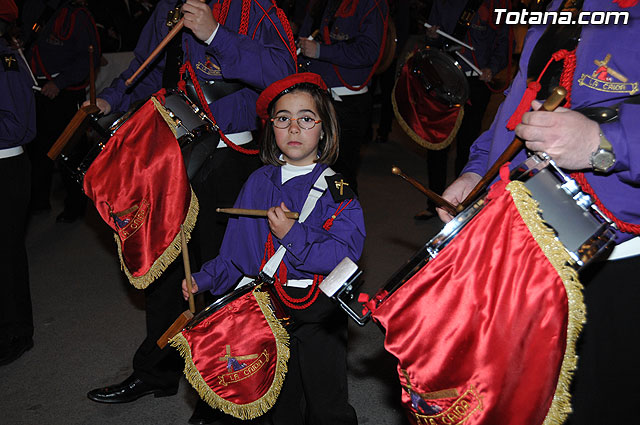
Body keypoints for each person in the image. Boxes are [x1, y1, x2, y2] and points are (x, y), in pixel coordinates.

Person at [84, 1, 296, 424]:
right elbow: (145, 64)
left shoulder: (257, 7)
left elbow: (285, 72)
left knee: (224, 272)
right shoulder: (169, 4)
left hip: (230, 156)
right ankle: (156, 371)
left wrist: (217, 35)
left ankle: (222, 387)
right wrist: (110, 99)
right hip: (169, 152)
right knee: (164, 271)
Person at [437, 1, 640, 423]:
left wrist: (605, 144)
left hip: (615, 262)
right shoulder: (560, 6)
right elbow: (517, 110)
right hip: (525, 240)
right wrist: (478, 173)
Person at [182, 72, 366, 425]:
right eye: (283, 119)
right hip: (265, 311)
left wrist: (293, 235)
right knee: (279, 403)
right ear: (272, 129)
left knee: (327, 402)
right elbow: (234, 254)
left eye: (306, 119)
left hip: (319, 311)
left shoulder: (338, 186)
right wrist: (203, 280)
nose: (294, 129)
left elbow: (347, 254)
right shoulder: (257, 181)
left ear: (324, 128)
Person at [415, 0, 508, 219]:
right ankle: (435, 203)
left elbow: (502, 43)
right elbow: (432, 44)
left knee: (469, 143)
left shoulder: (495, 4)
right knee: (437, 142)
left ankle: (462, 205)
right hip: (444, 80)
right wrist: (431, 37)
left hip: (475, 83)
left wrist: (492, 68)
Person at [297, 0, 388, 194]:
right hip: (313, 95)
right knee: (311, 171)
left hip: (347, 101)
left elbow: (369, 51)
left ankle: (343, 221)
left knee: (340, 177)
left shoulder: (371, 4)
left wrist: (321, 51)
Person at [21, 0, 100, 222]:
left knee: (70, 152)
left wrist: (61, 83)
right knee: (38, 150)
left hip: (63, 91)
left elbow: (89, 56)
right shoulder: (31, 7)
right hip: (35, 88)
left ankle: (75, 207)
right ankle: (39, 201)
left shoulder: (76, 14)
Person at [0, 0, 37, 366]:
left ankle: (16, 331)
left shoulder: (6, 62)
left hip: (6, 167)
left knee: (7, 255)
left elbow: (20, 127)